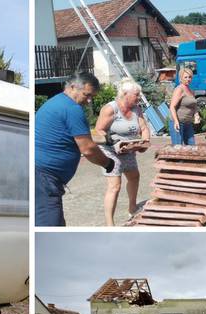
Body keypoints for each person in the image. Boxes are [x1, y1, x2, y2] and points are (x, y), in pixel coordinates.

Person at [35, 72, 114, 226]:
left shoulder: (57, 102)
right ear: (72, 87)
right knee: (51, 228)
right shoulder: (72, 109)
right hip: (44, 179)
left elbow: (75, 137)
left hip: (44, 178)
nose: (89, 101)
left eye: (92, 97)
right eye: (87, 95)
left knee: (55, 224)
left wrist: (106, 140)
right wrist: (108, 163)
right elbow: (88, 149)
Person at [95, 77, 150, 226]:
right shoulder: (110, 109)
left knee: (134, 176)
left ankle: (132, 207)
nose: (139, 98)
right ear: (125, 94)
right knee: (115, 186)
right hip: (111, 151)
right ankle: (109, 224)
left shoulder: (136, 109)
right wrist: (114, 143)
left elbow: (144, 128)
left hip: (129, 150)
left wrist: (144, 142)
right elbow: (99, 130)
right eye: (136, 95)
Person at [168, 68, 199, 145]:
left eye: (190, 77)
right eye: (186, 77)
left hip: (188, 123)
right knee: (177, 148)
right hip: (178, 122)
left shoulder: (191, 90)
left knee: (192, 147)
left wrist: (196, 114)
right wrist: (176, 121)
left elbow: (194, 105)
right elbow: (172, 106)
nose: (188, 79)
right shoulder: (179, 89)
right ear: (181, 78)